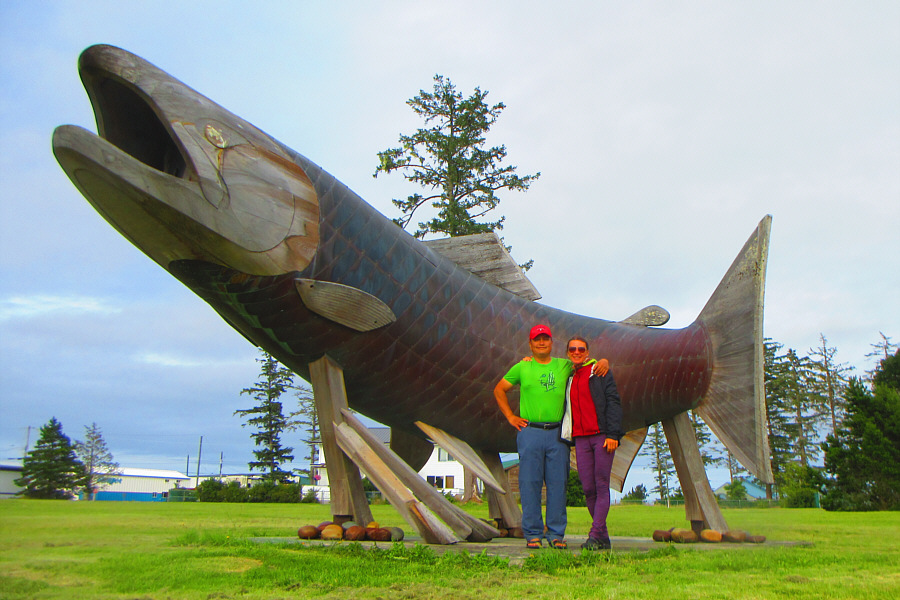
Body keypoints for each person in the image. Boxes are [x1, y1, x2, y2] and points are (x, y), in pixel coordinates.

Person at [494, 324, 572, 549]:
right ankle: (533, 534)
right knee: (529, 484)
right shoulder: (521, 367)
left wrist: (602, 362)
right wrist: (510, 416)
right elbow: (499, 390)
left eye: (545, 339)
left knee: (558, 484)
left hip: (558, 434)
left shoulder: (564, 365)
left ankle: (556, 535)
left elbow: (585, 363)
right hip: (530, 432)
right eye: (537, 339)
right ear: (530, 344)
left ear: (551, 343)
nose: (541, 342)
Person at [563, 336, 623, 550]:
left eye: (581, 349)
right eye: (572, 349)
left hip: (601, 436)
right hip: (580, 438)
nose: (576, 352)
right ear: (568, 352)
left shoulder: (599, 371)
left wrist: (613, 434)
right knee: (588, 488)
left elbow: (613, 402)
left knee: (601, 484)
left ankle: (595, 533)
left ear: (587, 352)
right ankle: (603, 537)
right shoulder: (568, 375)